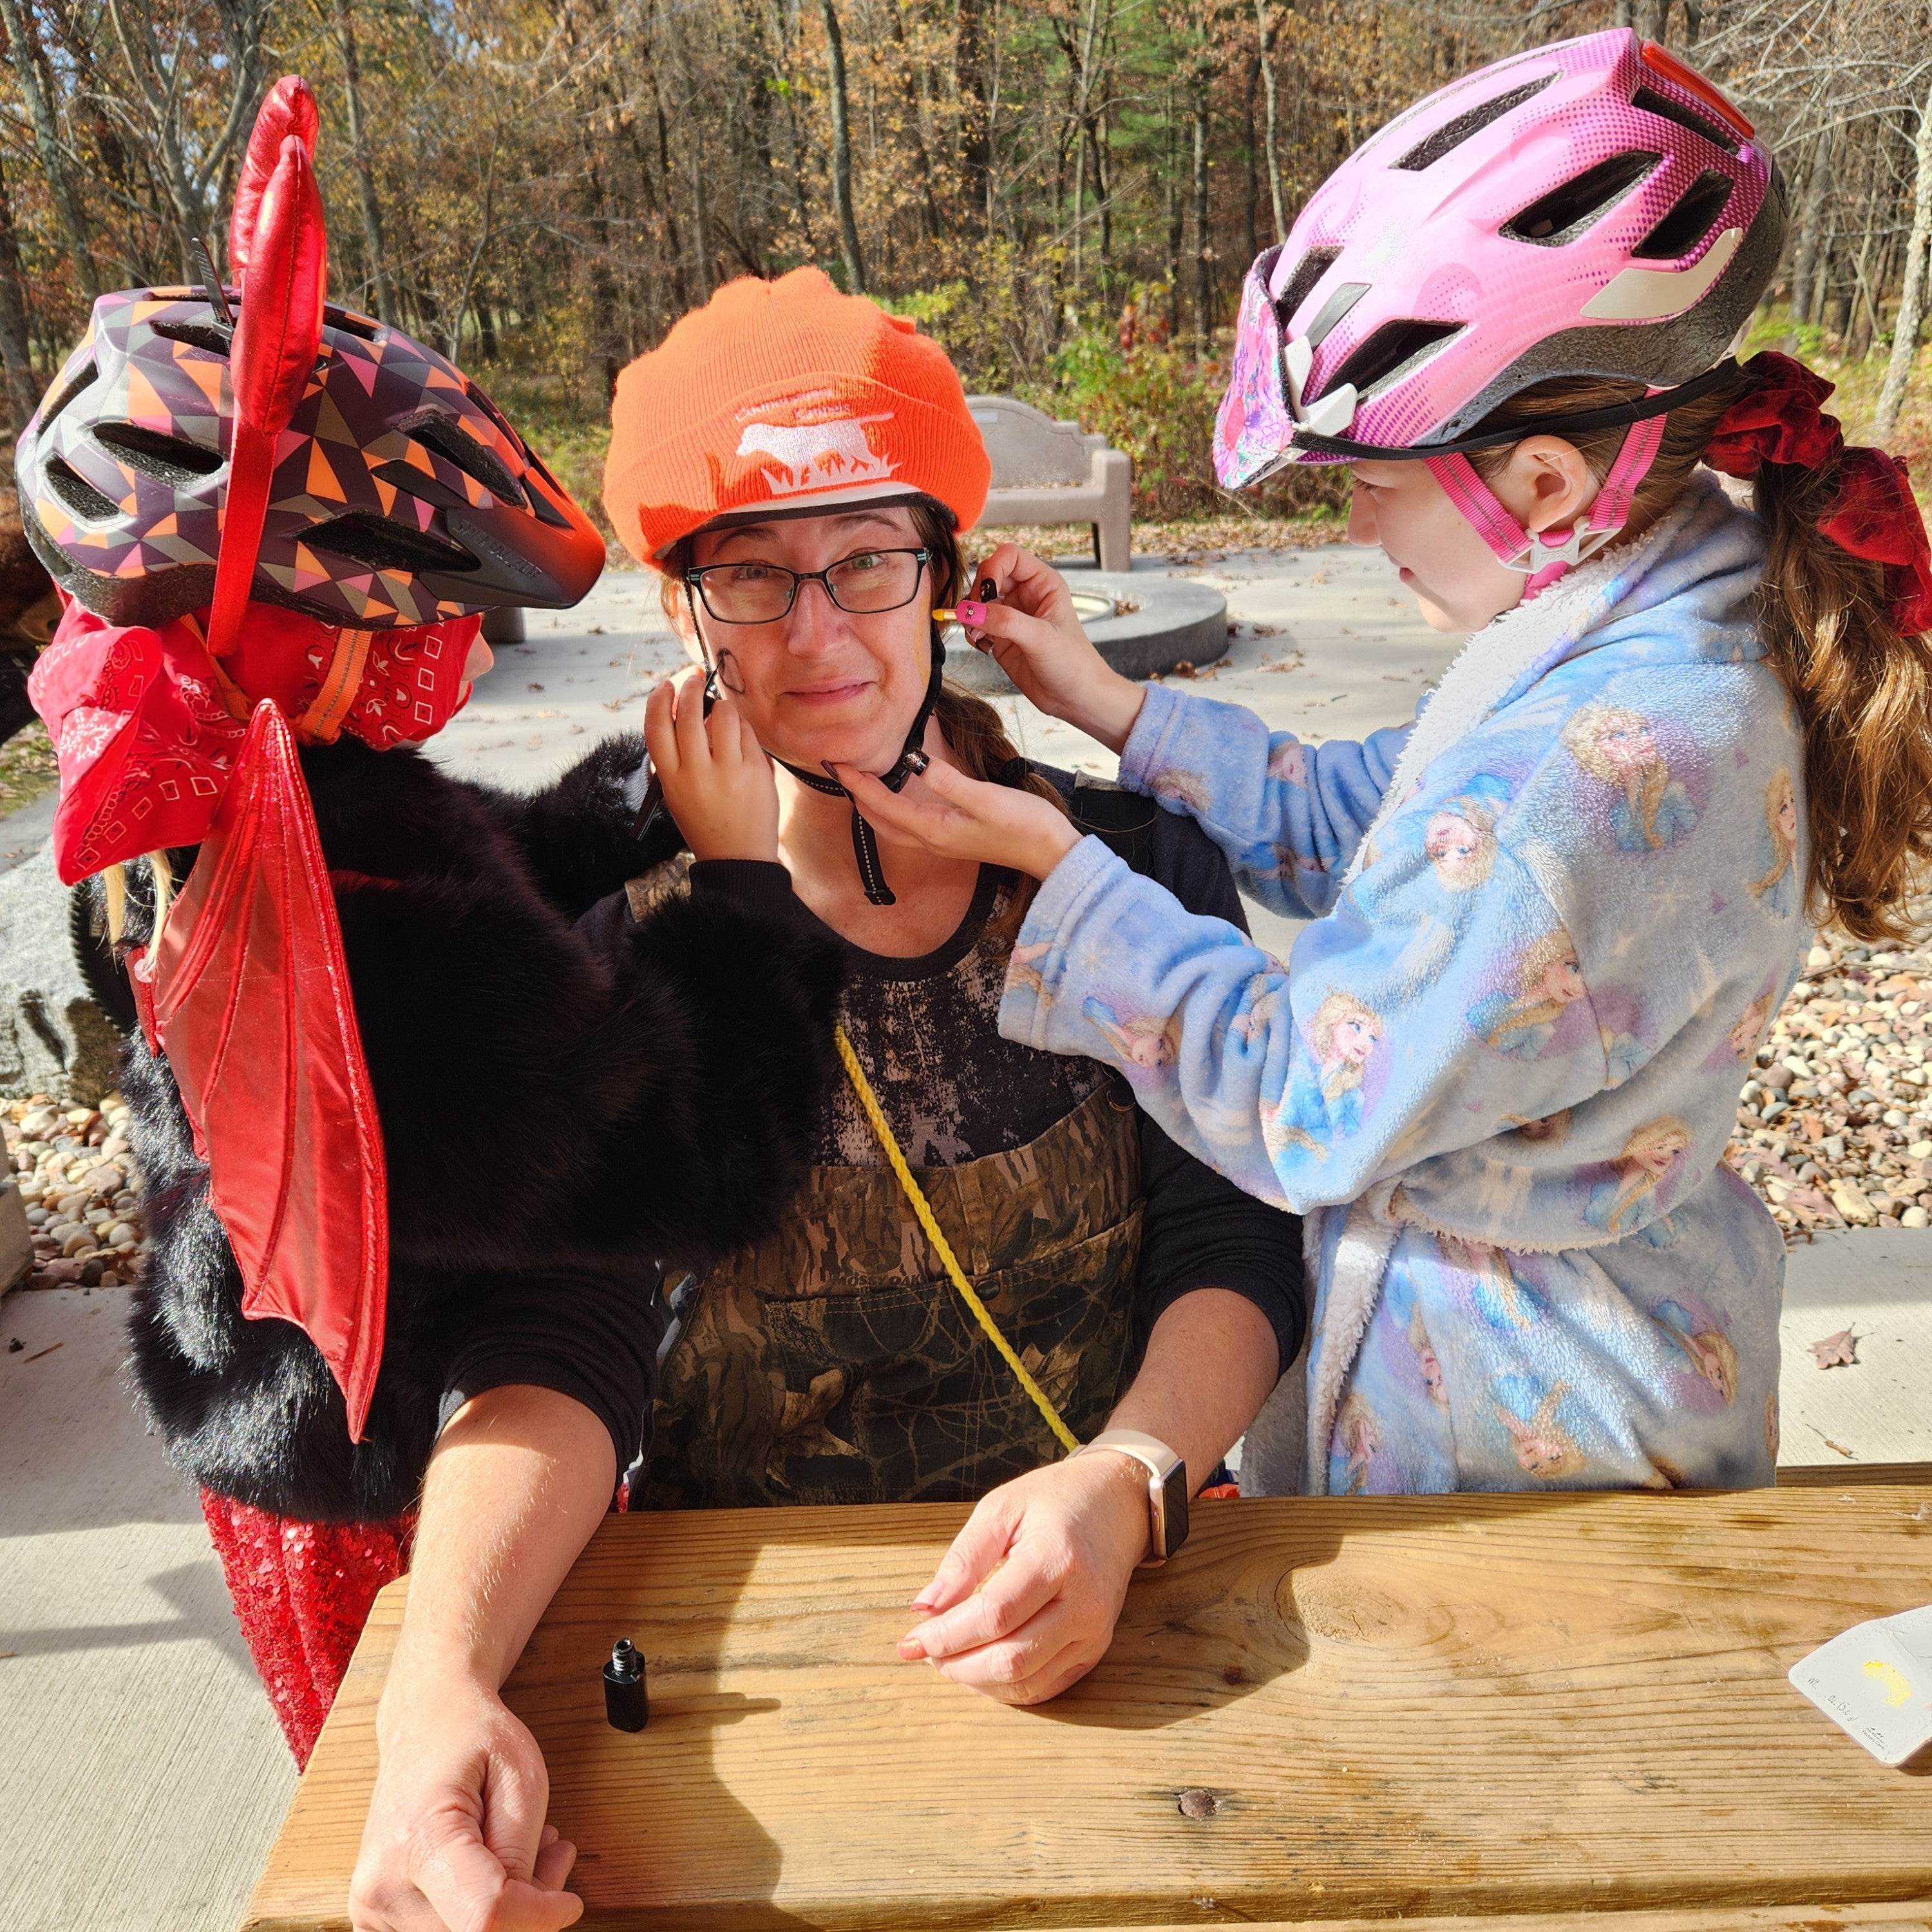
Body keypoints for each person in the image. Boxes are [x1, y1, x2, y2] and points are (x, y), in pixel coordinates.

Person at [839, 30, 1932, 1502]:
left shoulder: (1590, 777)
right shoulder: (1670, 611)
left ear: (1544, 481)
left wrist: (1061, 880)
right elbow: (1394, 822)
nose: (1355, 531)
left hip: (1518, 1429)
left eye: (1371, 488)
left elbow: (1303, 1097)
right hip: (1607, 1343)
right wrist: (1108, 703)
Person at [346, 268, 1301, 1931]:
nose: (819, 632)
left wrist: (1138, 1473)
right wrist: (438, 1681)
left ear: (944, 575)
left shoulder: (1125, 869)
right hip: (750, 1677)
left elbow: (1238, 1222)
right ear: (682, 610)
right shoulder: (598, 921)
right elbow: (547, 1334)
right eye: (755, 577)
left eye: (869, 561)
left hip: (1121, 1613)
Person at [21, 80, 846, 1765]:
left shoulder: (249, 807)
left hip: (307, 1412)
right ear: (272, 633)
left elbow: (481, 879)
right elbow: (686, 1166)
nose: (452, 651)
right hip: (402, 1477)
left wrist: (635, 804)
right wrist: (746, 892)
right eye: (421, 612)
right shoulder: (337, 929)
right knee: (471, 1786)